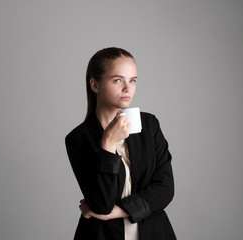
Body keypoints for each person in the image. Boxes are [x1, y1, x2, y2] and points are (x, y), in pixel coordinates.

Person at [65, 47, 176, 240]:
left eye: (132, 80)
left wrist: (117, 212)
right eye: (117, 80)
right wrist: (108, 143)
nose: (128, 88)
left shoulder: (149, 126)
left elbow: (165, 189)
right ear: (95, 85)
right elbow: (101, 204)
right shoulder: (79, 138)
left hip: (154, 232)